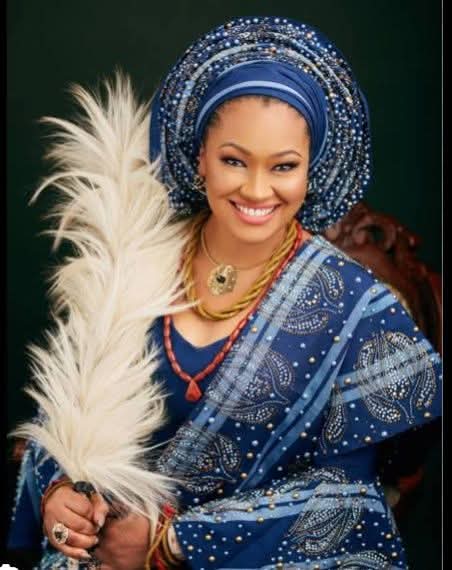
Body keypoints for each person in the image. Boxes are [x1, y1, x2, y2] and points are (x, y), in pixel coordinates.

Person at [8, 15, 442, 570]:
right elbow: (65, 414)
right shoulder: (129, 259)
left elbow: (347, 502)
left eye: (284, 166)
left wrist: (171, 542)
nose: (257, 190)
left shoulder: (355, 305)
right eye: (234, 160)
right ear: (200, 158)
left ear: (311, 171)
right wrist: (58, 493)